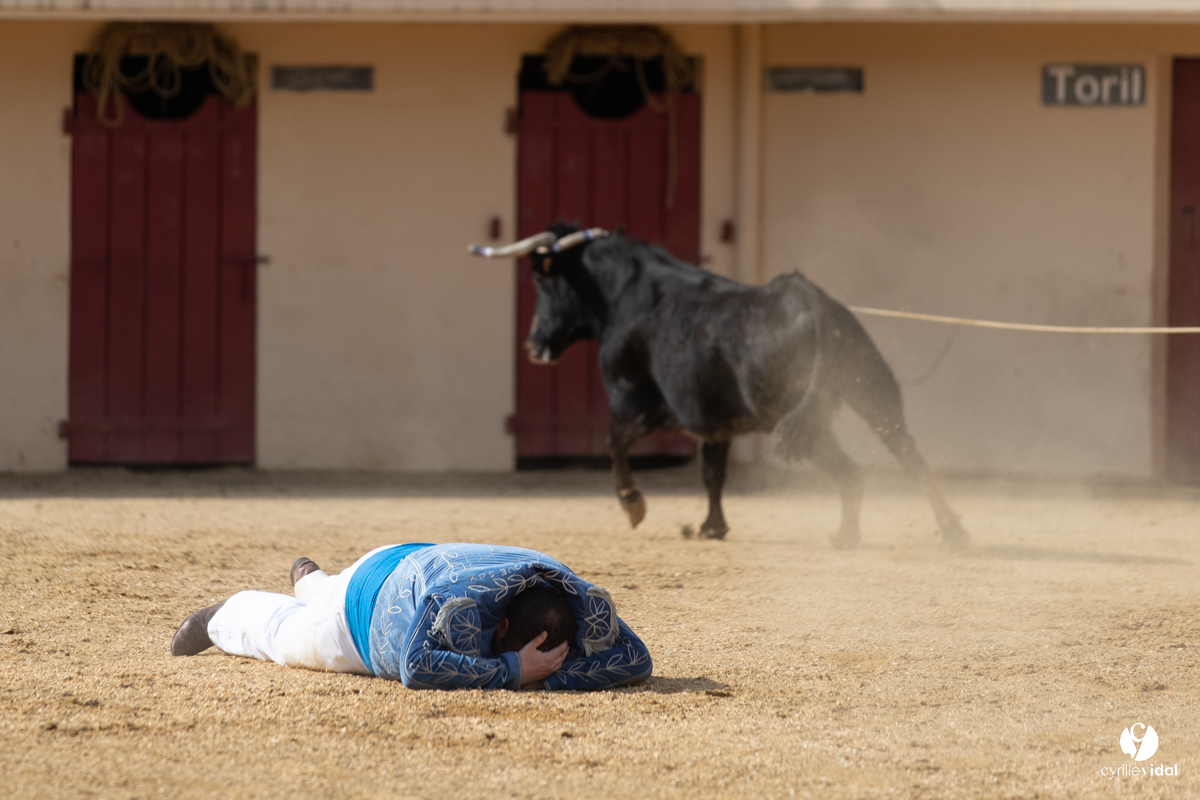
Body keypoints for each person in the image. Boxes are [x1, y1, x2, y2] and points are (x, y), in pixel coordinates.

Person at [169, 542, 652, 691]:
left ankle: (312, 580)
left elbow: (640, 660)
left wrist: (550, 676)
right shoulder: (455, 605)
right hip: (357, 616)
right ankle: (221, 615)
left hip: (403, 557)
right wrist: (513, 671)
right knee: (284, 636)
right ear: (501, 627)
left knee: (323, 592)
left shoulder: (566, 588)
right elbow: (414, 666)